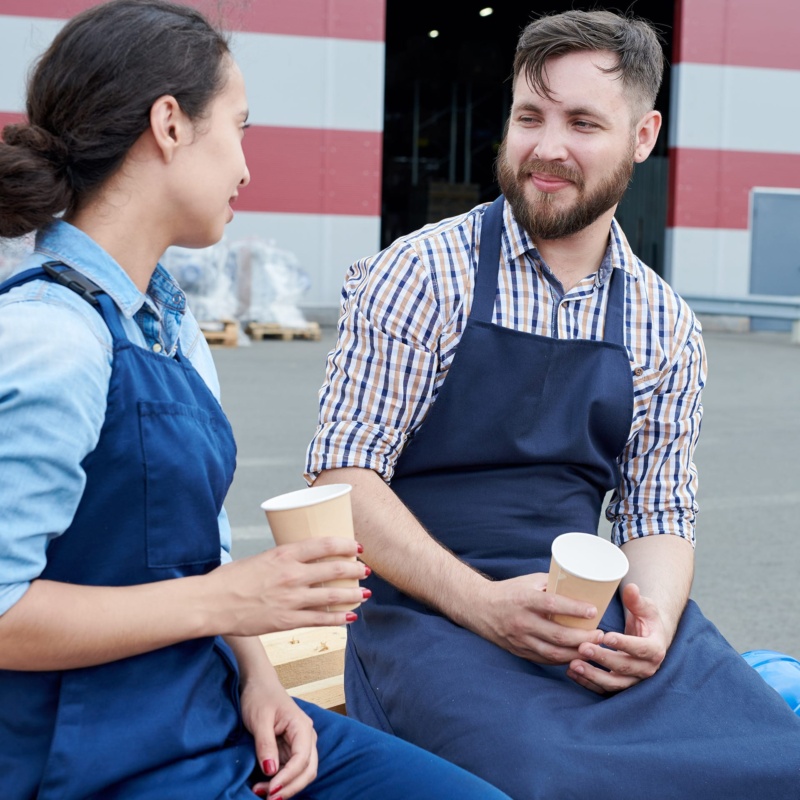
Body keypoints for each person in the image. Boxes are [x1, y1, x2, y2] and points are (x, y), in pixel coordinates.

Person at [0, 3, 515, 799]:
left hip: (202, 706)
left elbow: (194, 559)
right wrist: (231, 597)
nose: (246, 166)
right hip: (90, 755)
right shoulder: (54, 337)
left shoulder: (172, 327)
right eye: (239, 127)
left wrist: (261, 675)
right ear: (170, 124)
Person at [306, 8, 800, 798]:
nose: (546, 147)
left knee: (778, 760)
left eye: (582, 122)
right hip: (423, 615)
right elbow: (341, 477)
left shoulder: (664, 324)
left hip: (579, 617)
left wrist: (655, 623)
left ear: (643, 137)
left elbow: (657, 514)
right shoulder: (424, 273)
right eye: (529, 116)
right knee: (548, 777)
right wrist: (477, 604)